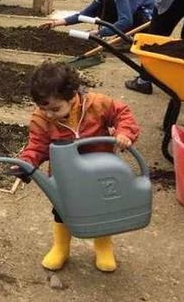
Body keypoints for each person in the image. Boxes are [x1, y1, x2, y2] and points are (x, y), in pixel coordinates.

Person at [13, 62, 140, 273]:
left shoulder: (97, 104)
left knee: (102, 208)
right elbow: (37, 145)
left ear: (72, 96)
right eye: (44, 108)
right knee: (62, 211)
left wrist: (124, 133)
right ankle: (61, 247)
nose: (49, 114)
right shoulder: (41, 119)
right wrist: (27, 162)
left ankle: (103, 247)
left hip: (100, 171)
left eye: (55, 109)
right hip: (66, 177)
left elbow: (122, 114)